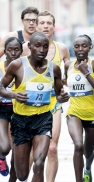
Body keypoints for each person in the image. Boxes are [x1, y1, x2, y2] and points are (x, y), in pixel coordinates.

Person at [0, 32, 69, 182]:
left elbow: (58, 94)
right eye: (37, 46)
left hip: (43, 119)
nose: (42, 50)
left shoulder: (54, 69)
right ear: (29, 46)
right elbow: (1, 86)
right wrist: (14, 95)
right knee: (22, 174)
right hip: (20, 121)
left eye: (45, 46)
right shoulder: (17, 65)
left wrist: (62, 98)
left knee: (39, 164)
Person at [22, 11, 70, 182]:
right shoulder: (25, 48)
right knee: (31, 149)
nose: (45, 26)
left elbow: (68, 74)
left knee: (52, 148)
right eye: (42, 23)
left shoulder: (61, 48)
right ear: (36, 25)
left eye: (49, 23)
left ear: (54, 27)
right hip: (30, 103)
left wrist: (67, 79)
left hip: (53, 101)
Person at [64, 34, 94, 182]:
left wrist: (87, 73)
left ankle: (87, 168)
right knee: (78, 146)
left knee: (88, 153)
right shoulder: (68, 65)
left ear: (90, 48)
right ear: (73, 48)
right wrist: (60, 95)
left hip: (93, 115)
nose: (80, 49)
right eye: (77, 46)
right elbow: (62, 84)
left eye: (84, 46)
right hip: (74, 113)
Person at [0, 37, 23, 177]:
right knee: (5, 147)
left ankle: (16, 175)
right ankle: (2, 158)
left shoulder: (25, 67)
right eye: (10, 50)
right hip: (2, 109)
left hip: (19, 110)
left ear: (21, 51)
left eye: (16, 50)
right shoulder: (0, 67)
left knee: (17, 147)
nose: (13, 53)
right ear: (5, 51)